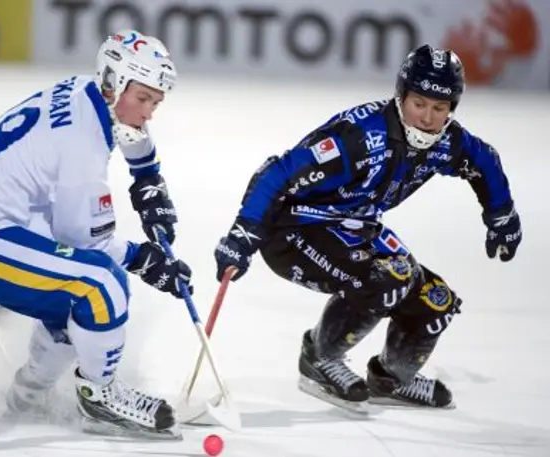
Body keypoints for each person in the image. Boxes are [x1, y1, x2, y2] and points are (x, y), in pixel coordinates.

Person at [0, 30, 191, 439]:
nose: (149, 113)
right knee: (100, 284)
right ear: (113, 83)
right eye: (144, 98)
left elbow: (129, 132)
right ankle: (99, 395)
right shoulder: (83, 147)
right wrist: (144, 259)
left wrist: (147, 175)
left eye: (156, 102)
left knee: (71, 295)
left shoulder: (83, 91)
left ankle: (28, 396)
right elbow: (88, 245)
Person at [214, 44, 522, 410]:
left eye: (439, 108)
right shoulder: (359, 137)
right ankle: (320, 357)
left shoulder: (449, 142)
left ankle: (393, 377)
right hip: (294, 230)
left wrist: (502, 216)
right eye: (419, 103)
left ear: (452, 109)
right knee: (385, 278)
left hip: (356, 227)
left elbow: (484, 160)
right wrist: (244, 233)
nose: (427, 117)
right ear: (400, 95)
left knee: (435, 301)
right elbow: (275, 173)